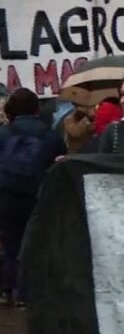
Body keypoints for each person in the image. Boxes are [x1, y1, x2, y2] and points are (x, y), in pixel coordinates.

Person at [0, 89, 67, 307]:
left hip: (6, 195)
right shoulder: (51, 135)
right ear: (37, 108)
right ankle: (25, 294)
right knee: (33, 244)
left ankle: (5, 289)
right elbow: (60, 164)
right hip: (38, 196)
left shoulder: (3, 133)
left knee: (9, 243)